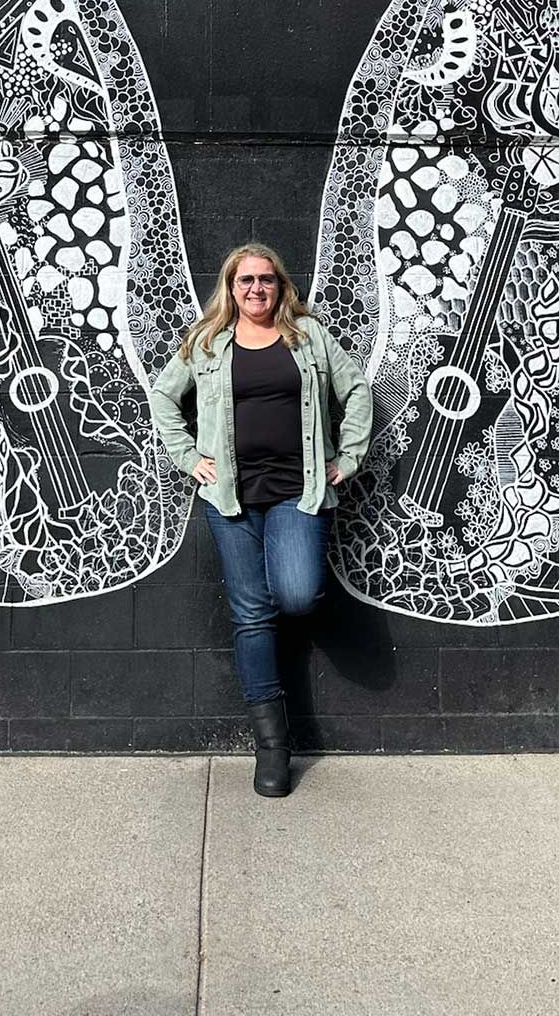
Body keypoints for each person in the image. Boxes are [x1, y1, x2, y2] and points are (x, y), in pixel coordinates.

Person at [148, 242, 372, 798]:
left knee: (296, 595)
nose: (255, 289)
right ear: (230, 287)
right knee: (251, 616)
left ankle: (274, 711)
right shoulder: (206, 343)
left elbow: (358, 390)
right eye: (245, 280)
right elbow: (164, 396)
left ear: (280, 285)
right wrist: (186, 456)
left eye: (266, 280)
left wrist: (348, 457)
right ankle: (273, 747)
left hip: (298, 494)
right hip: (231, 500)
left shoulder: (310, 336)